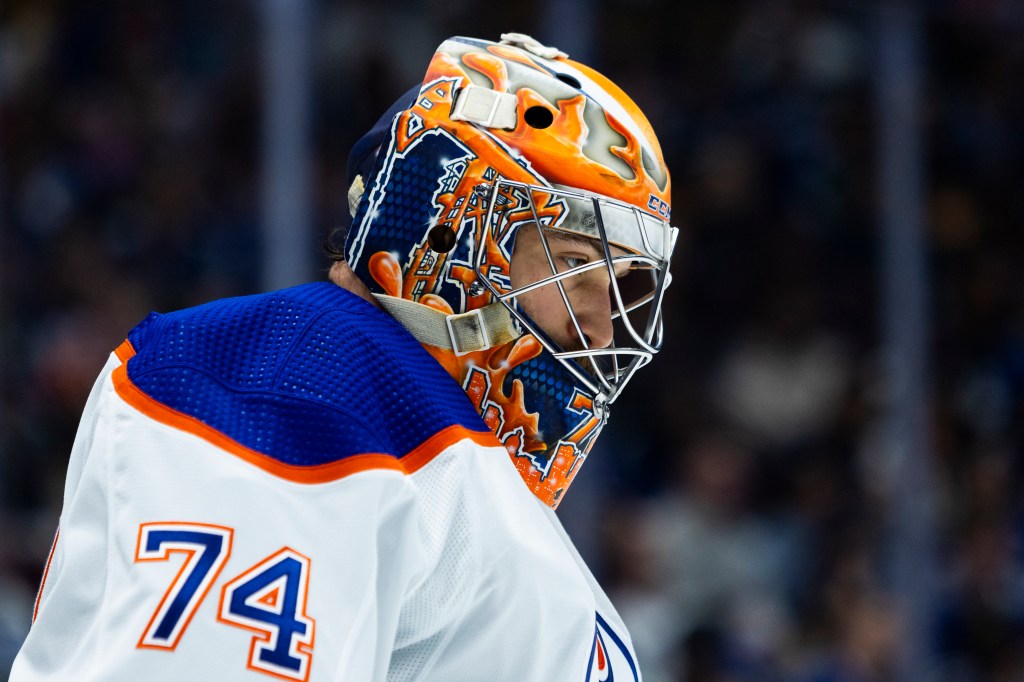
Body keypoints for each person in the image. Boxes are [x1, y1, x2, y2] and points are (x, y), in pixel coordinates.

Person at [12, 33, 677, 681]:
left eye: (620, 297)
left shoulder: (470, 475)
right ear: (447, 233)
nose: (601, 330)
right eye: (575, 269)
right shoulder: (299, 379)